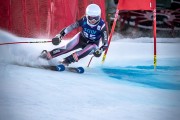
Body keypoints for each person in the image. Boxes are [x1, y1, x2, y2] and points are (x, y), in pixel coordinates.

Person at [40, 4, 108, 66]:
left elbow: (105, 44)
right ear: (87, 16)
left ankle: (66, 61)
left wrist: (100, 50)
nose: (93, 20)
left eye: (96, 18)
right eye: (91, 18)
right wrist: (60, 35)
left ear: (99, 16)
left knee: (92, 47)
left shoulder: (102, 25)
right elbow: (71, 27)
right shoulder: (83, 20)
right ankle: (48, 55)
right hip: (81, 39)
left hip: (92, 45)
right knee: (67, 47)